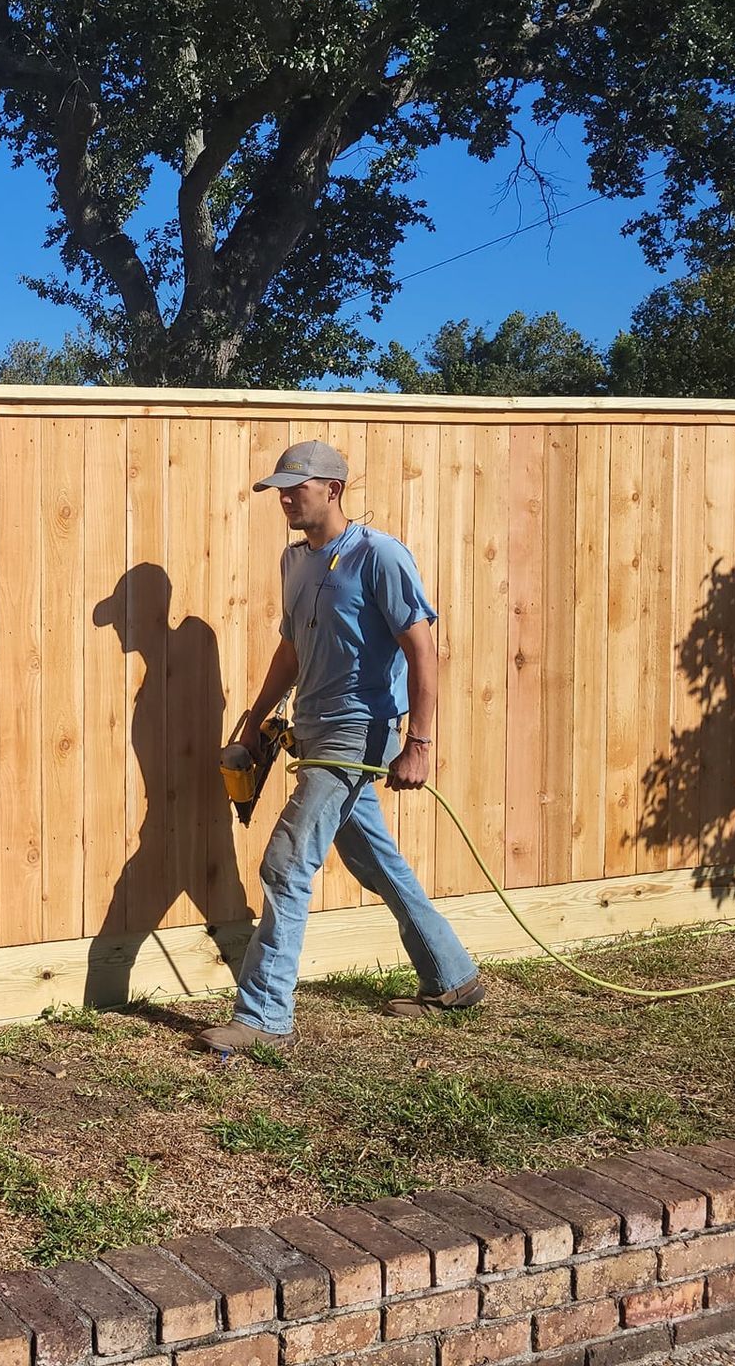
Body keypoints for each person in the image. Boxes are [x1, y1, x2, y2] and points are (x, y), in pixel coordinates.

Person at [197, 440, 485, 1055]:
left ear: (332, 488)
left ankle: (264, 1017)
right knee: (374, 860)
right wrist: (253, 725)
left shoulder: (379, 556)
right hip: (315, 727)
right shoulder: (295, 562)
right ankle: (453, 976)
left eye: (294, 488)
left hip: (360, 732)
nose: (284, 499)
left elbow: (421, 648)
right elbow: (292, 652)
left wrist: (421, 742)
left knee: (285, 861)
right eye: (278, 488)